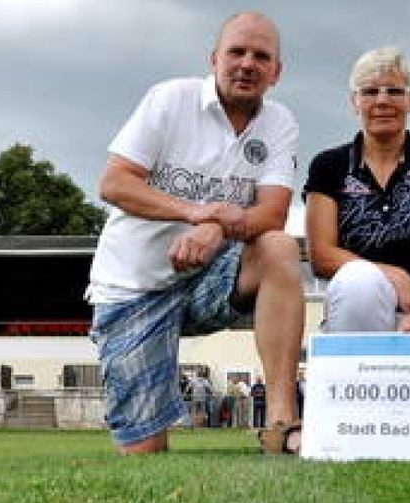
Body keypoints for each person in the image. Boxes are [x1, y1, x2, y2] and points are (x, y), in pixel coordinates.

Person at [87, 11, 305, 455]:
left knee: (278, 248)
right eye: (237, 52)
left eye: (261, 57)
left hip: (207, 278)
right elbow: (114, 182)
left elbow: (274, 213)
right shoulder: (170, 99)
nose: (247, 64)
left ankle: (282, 424)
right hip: (134, 288)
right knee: (145, 452)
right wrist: (196, 213)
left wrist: (212, 229)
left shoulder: (279, 122)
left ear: (276, 72)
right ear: (213, 59)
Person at [304, 46, 410, 333]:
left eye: (394, 91)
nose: (382, 100)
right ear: (354, 102)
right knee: (360, 280)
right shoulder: (328, 166)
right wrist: (392, 276)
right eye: (370, 92)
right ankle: (353, 375)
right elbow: (321, 254)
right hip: (355, 317)